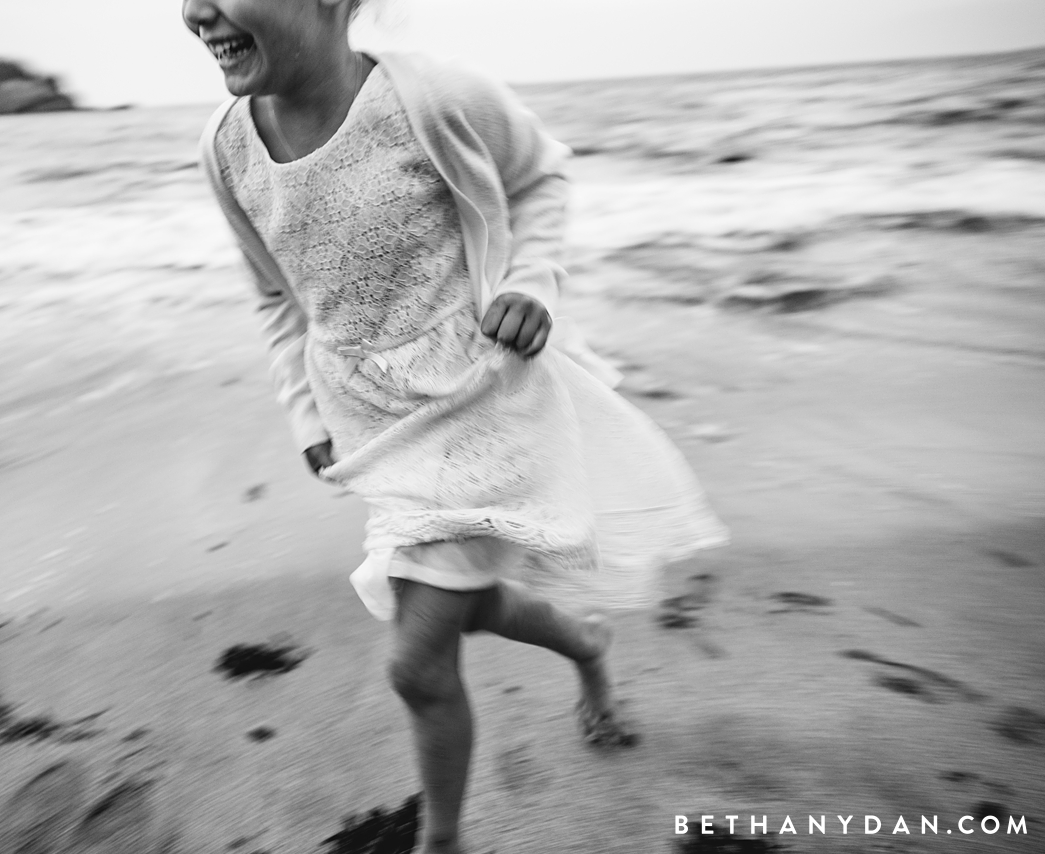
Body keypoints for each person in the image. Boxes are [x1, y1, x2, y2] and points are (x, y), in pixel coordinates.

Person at [185, 1, 728, 850]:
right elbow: (276, 297)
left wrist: (532, 281)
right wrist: (304, 413)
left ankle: (442, 841)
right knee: (462, 612)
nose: (194, 10)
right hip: (375, 426)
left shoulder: (431, 98)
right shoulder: (226, 150)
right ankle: (585, 644)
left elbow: (541, 175)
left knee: (415, 662)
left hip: (482, 404)